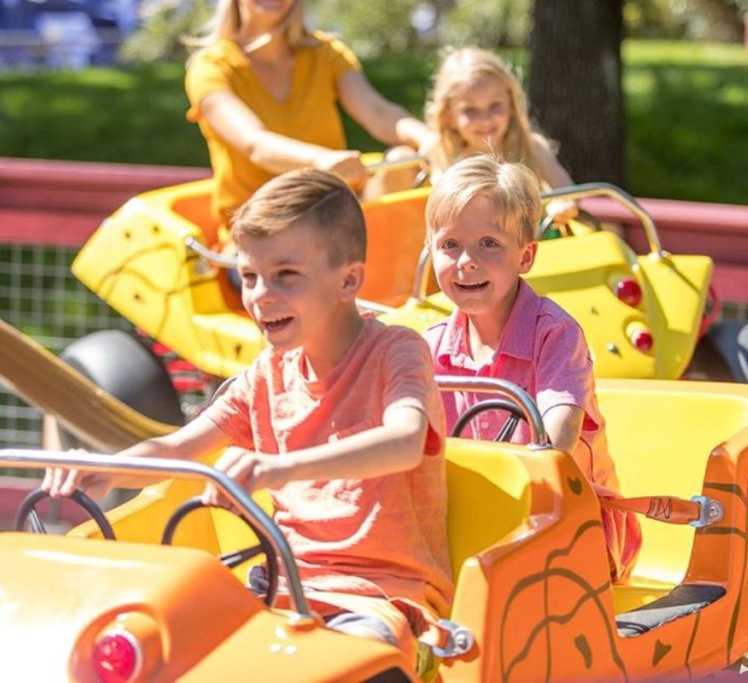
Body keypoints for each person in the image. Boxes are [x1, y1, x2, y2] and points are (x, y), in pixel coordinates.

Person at [43, 169, 453, 670]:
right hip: (282, 585)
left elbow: (405, 440)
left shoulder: (396, 351)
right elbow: (177, 450)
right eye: (250, 276)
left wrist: (278, 467)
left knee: (352, 663)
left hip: (380, 596)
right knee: (149, 640)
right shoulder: (266, 375)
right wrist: (105, 470)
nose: (260, 295)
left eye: (286, 275)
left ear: (348, 280)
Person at [422, 155, 641, 582]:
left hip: (570, 523)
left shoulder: (554, 335)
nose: (466, 260)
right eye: (450, 244)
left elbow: (555, 443)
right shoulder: (431, 346)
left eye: (489, 244)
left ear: (526, 256)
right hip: (477, 518)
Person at [185, 0, 433, 239]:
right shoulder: (211, 67)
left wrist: (428, 139)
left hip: (334, 215)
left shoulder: (325, 53)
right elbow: (254, 143)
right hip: (259, 232)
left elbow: (377, 112)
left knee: (403, 160)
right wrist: (319, 160)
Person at [383, 46, 577, 224]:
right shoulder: (444, 156)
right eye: (470, 110)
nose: (485, 119)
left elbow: (569, 194)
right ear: (449, 116)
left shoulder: (532, 147)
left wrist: (562, 205)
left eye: (495, 106)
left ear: (510, 104)